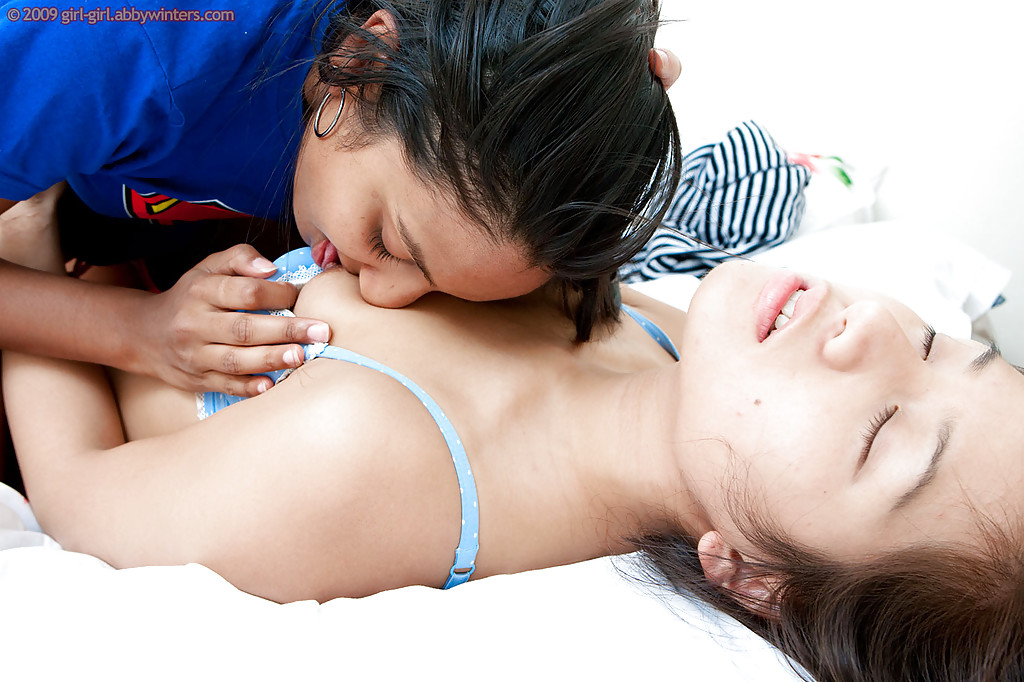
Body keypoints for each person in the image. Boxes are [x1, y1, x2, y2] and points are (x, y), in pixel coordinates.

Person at [3, 179, 1023, 681]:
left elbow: (79, 490)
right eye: (938, 346)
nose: (874, 328)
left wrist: (43, 253)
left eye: (883, 435)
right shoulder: (673, 348)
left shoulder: (375, 455)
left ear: (754, 577)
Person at [0, 0, 682, 397]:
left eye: (443, 290)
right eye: (388, 244)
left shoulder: (430, 134)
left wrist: (605, 98)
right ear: (361, 63)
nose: (382, 296)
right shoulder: (117, 44)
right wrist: (134, 331)